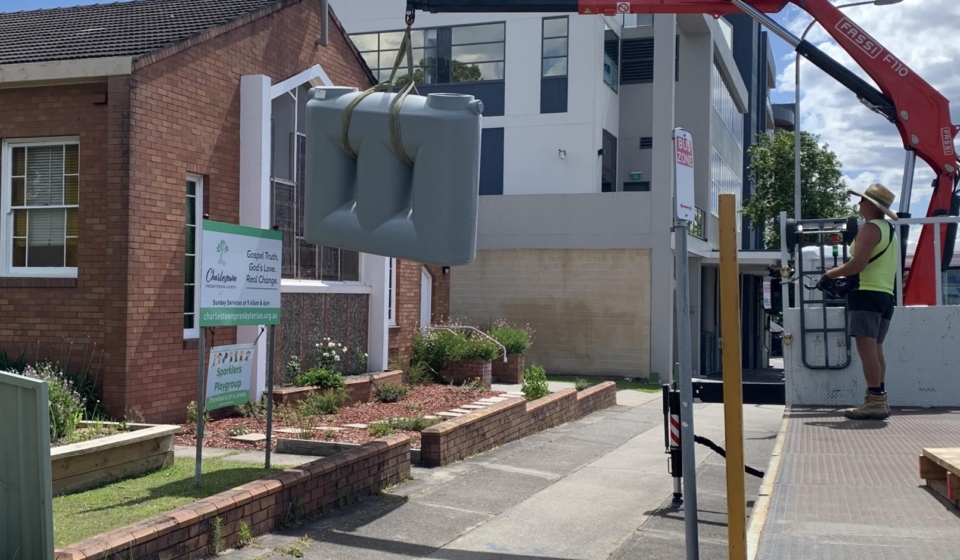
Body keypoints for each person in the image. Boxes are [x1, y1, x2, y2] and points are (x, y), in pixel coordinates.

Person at [816, 183, 899, 420]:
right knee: (877, 350)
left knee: (867, 352)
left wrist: (828, 275)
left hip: (866, 294)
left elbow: (857, 265)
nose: (859, 204)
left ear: (871, 205)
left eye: (862, 200)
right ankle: (879, 399)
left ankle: (874, 403)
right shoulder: (889, 230)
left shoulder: (869, 229)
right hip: (885, 295)